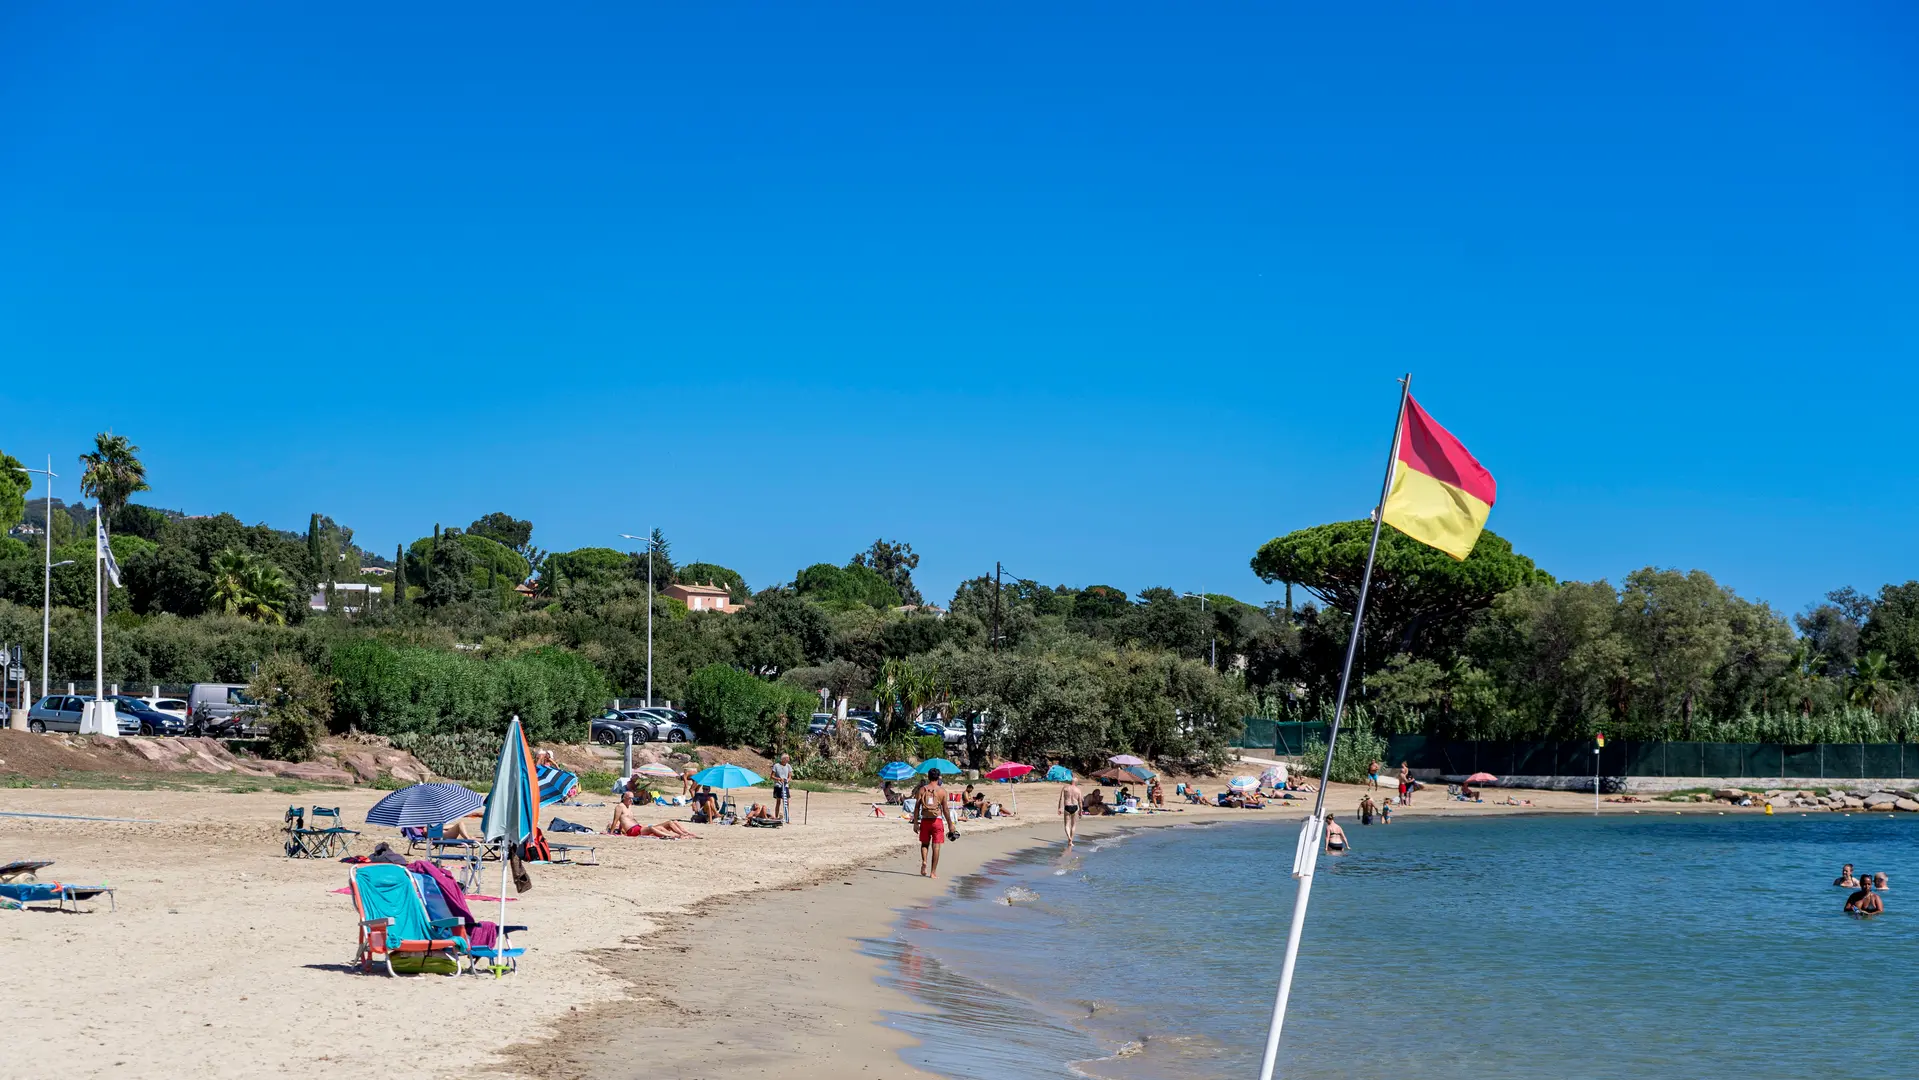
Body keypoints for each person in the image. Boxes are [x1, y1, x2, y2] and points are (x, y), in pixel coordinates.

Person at [912, 769, 959, 877]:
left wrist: (915, 823)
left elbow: (916, 807)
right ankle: (933, 872)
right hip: (937, 820)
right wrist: (950, 824)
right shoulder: (942, 791)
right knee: (936, 847)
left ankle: (924, 861)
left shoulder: (922, 790)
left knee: (924, 844)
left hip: (925, 820)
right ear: (939, 778)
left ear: (928, 777)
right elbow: (946, 809)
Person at [1059, 776, 1083, 847]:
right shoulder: (1078, 790)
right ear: (1076, 783)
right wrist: (1081, 811)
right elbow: (1080, 801)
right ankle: (1071, 840)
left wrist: (1059, 808)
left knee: (1066, 825)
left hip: (1067, 807)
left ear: (1070, 781)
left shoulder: (1065, 788)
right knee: (1073, 825)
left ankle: (1069, 838)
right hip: (1075, 807)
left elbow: (1061, 799)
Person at [770, 753, 793, 821]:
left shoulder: (788, 766)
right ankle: (776, 817)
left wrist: (787, 781)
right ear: (783, 759)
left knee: (786, 802)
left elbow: (790, 776)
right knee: (778, 802)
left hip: (785, 786)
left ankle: (787, 818)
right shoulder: (776, 766)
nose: (788, 759)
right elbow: (771, 776)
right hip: (778, 786)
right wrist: (779, 779)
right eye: (787, 758)